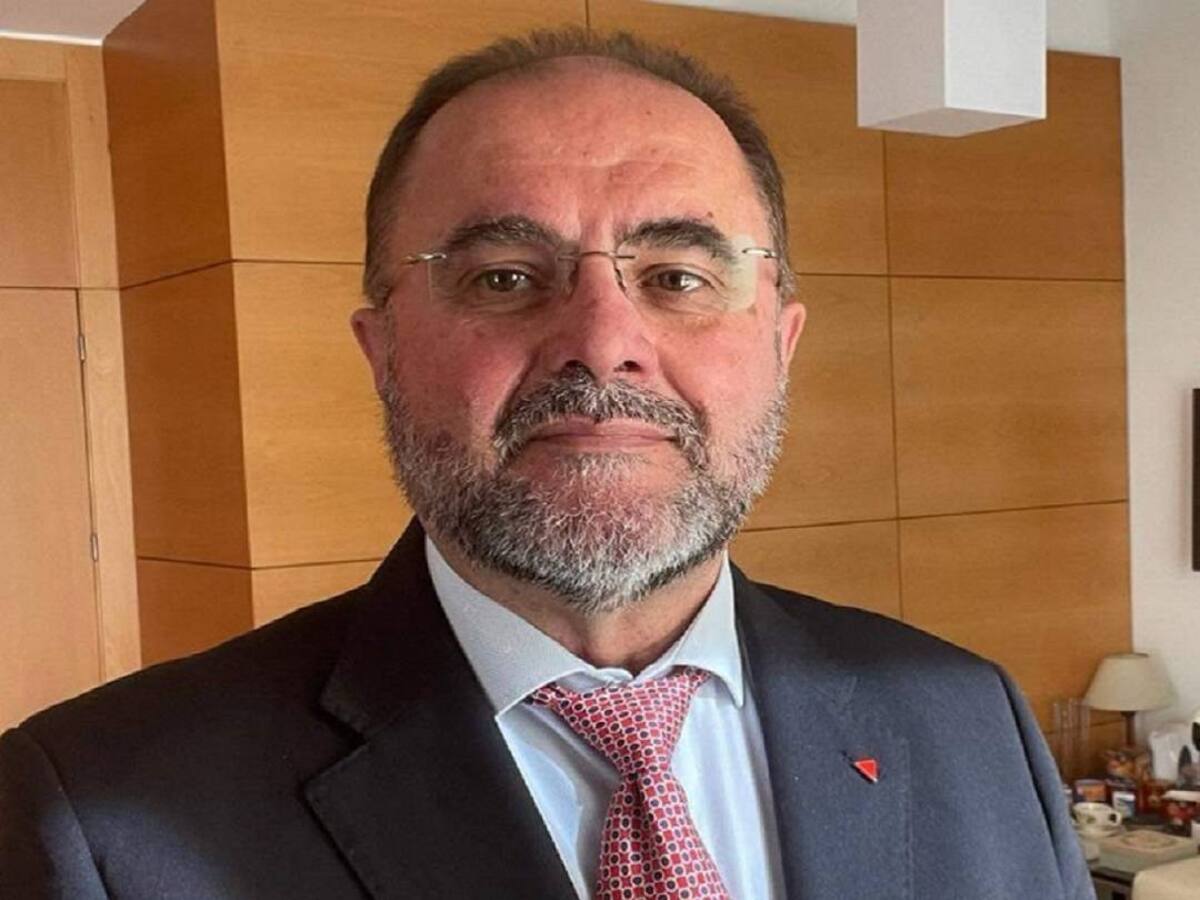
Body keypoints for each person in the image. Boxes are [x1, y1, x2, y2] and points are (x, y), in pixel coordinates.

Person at [0, 29, 1092, 900]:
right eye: (506, 278)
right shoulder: (99, 812)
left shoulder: (969, 717)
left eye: (676, 277)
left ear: (780, 344)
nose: (603, 341)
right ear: (384, 352)